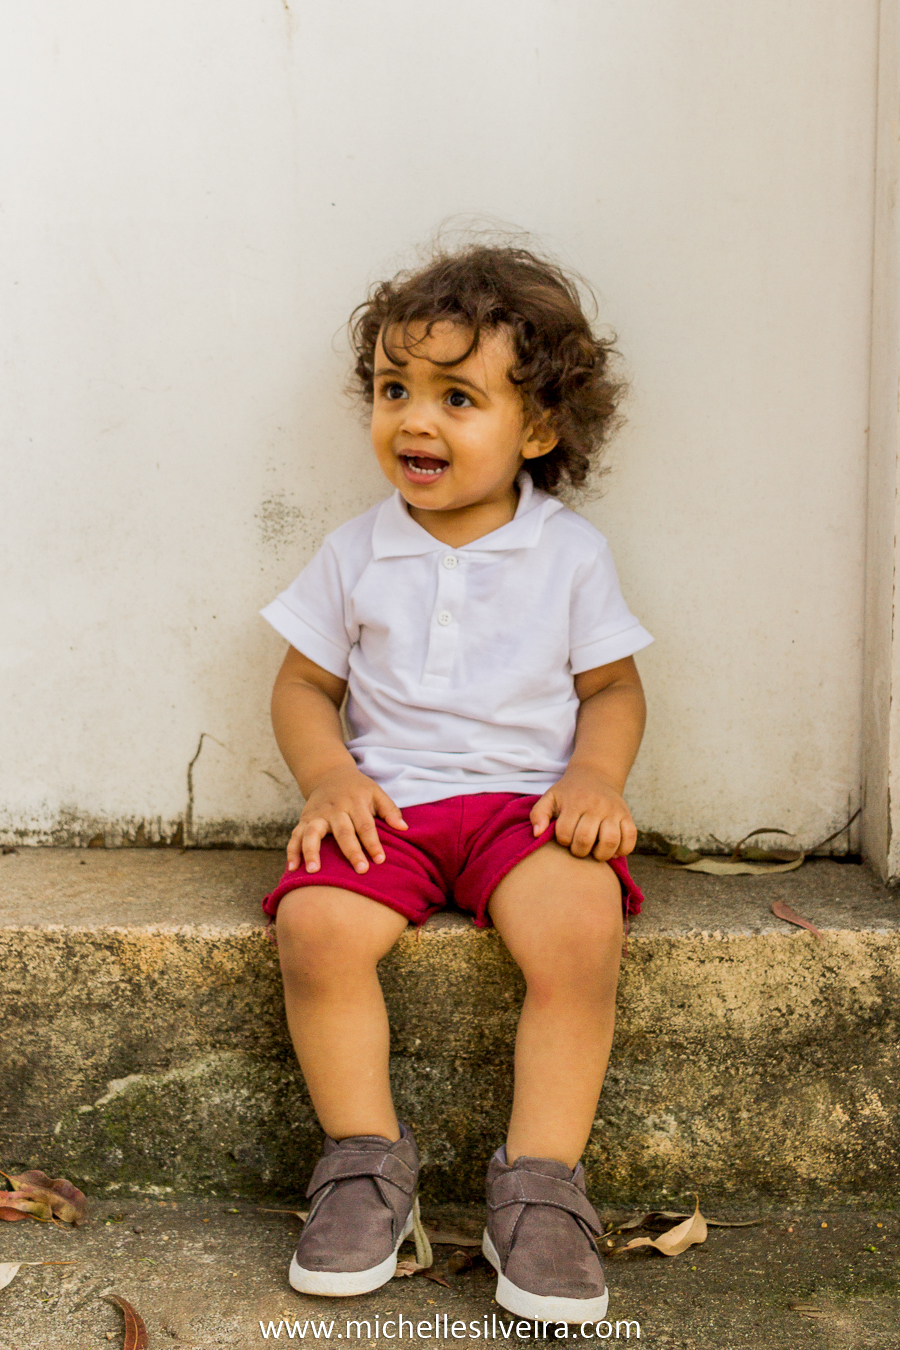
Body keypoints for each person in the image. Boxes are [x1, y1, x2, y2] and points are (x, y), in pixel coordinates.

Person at [260, 243, 652, 1324]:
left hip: (529, 810)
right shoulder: (357, 551)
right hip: (390, 805)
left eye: (455, 397)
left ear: (536, 429)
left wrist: (595, 777)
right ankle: (363, 1164)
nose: (414, 420)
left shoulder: (568, 555)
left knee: (579, 935)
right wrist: (330, 774)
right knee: (318, 931)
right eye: (395, 390)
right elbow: (301, 684)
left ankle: (540, 1185)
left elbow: (614, 690)